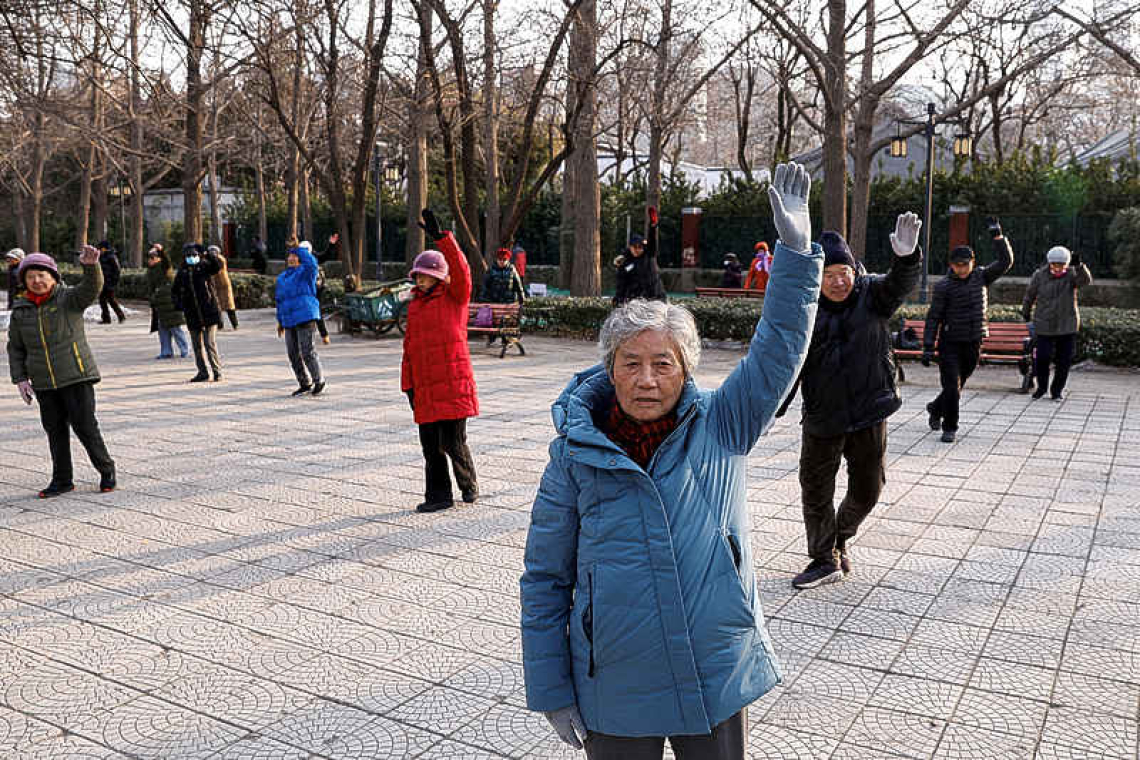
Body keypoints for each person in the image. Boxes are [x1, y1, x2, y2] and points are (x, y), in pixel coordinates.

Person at [521, 163, 822, 760]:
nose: (647, 379)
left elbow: (778, 350)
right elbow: (545, 578)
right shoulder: (575, 455)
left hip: (713, 667)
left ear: (686, 370)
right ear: (610, 370)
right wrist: (550, 687)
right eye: (631, 363)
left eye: (663, 363)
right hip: (615, 680)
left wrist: (795, 255)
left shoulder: (722, 422)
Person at [778, 216, 922, 590]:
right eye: (829, 274)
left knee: (868, 490)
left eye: (844, 272)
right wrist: (772, 404)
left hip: (869, 412)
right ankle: (823, 558)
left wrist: (906, 259)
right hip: (823, 416)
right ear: (818, 278)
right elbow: (790, 360)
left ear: (854, 271)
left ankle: (840, 537)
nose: (838, 281)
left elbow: (899, 285)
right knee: (816, 488)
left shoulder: (872, 295)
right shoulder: (805, 309)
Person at [7, 246, 116, 497]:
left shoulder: (69, 299)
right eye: (30, 276)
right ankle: (62, 479)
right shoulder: (21, 311)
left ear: (53, 277)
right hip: (44, 382)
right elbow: (16, 348)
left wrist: (91, 267)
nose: (36, 280)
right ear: (24, 281)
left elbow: (92, 288)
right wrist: (21, 378)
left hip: (76, 376)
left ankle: (106, 469)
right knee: (55, 431)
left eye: (42, 275)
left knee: (85, 427)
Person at [402, 208, 479, 514]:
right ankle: (438, 496)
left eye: (425, 275)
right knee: (430, 448)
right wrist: (408, 385)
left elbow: (462, 269)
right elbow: (409, 349)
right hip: (424, 388)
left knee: (453, 443)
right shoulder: (415, 307)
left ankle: (468, 484)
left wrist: (442, 239)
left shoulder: (455, 297)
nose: (420, 280)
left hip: (452, 385)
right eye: (417, 275)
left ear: (436, 277)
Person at [922, 217, 1014, 443]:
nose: (961, 269)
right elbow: (934, 316)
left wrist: (998, 237)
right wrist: (927, 345)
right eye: (957, 265)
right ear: (951, 265)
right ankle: (949, 427)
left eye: (965, 264)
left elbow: (1006, 261)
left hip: (974, 341)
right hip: (950, 343)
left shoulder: (982, 276)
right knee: (952, 385)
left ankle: (935, 407)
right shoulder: (943, 286)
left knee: (958, 385)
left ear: (973, 263)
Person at [1021, 245, 1092, 401]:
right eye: (1054, 264)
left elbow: (1085, 281)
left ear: (1066, 264)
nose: (1058, 268)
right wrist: (1025, 312)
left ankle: (1057, 390)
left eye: (1061, 265)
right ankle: (1041, 388)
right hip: (1044, 323)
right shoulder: (1039, 275)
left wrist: (1080, 267)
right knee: (1042, 358)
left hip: (1067, 324)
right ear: (1049, 263)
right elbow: (1029, 295)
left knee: (1063, 360)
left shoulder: (1072, 275)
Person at [276, 242, 326, 396]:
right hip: (289, 319)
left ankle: (319, 380)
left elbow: (312, 263)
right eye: (290, 255)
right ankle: (304, 382)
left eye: (295, 256)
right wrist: (280, 321)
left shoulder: (306, 272)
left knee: (307, 350)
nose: (291, 258)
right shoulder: (282, 277)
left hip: (305, 315)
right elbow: (279, 300)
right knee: (292, 353)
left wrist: (299, 248)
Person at [172, 243, 224, 383]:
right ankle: (202, 372)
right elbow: (175, 291)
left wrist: (210, 255)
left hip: (209, 312)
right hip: (192, 314)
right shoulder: (182, 272)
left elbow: (218, 266)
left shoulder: (205, 267)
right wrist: (180, 305)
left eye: (194, 255)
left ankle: (217, 371)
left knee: (210, 343)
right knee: (197, 346)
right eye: (188, 256)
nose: (191, 258)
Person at [613, 207, 666, 307]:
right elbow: (621, 282)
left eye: (640, 247)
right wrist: (618, 298)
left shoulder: (649, 254)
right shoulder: (625, 261)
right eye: (635, 247)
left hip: (656, 298)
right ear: (630, 247)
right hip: (636, 302)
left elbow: (652, 242)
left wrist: (653, 226)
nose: (637, 250)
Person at [145, 244, 190, 360]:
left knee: (175, 328)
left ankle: (185, 350)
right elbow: (150, 288)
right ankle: (166, 351)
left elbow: (167, 261)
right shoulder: (150, 271)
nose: (149, 260)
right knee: (163, 329)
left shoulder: (164, 267)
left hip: (170, 303)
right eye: (149, 257)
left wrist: (161, 251)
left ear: (157, 258)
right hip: (159, 305)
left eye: (152, 257)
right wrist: (152, 300)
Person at [208, 245, 238, 329]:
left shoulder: (221, 259)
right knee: (218, 308)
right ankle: (220, 325)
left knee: (229, 307)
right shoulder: (209, 260)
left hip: (224, 285)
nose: (212, 253)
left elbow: (218, 267)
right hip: (215, 285)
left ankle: (235, 324)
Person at [97, 240, 126, 324]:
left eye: (101, 248)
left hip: (109, 283)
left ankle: (121, 316)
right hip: (103, 282)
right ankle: (106, 319)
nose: (99, 250)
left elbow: (117, 270)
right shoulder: (102, 256)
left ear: (104, 248)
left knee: (111, 300)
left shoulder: (111, 256)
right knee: (102, 300)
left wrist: (113, 282)